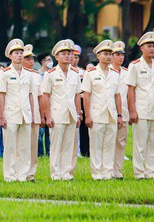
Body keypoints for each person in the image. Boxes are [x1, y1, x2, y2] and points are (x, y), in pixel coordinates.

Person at [126, 31, 154, 179]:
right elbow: (131, 89)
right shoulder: (135, 66)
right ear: (142, 48)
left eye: (153, 46)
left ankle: (150, 171)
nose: (152, 49)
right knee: (140, 144)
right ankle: (139, 173)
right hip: (141, 109)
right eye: (149, 46)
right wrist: (132, 110)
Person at [81, 40, 122, 180]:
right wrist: (87, 115)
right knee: (96, 146)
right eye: (105, 54)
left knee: (110, 145)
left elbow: (117, 96)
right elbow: (86, 95)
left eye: (110, 54)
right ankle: (97, 173)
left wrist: (120, 115)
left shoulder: (115, 73)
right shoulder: (91, 73)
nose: (109, 57)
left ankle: (108, 172)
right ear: (98, 56)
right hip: (96, 113)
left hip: (111, 114)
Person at [0, 39, 36, 182]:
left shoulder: (28, 73)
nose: (19, 55)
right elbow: (1, 95)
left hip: (25, 114)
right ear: (10, 56)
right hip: (10, 113)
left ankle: (22, 175)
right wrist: (1, 116)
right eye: (16, 53)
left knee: (25, 147)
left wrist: (32, 114)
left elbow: (31, 95)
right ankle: (9, 175)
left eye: (21, 53)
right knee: (10, 147)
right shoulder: (5, 73)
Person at [41, 40, 80, 180]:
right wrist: (47, 116)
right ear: (56, 57)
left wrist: (78, 114)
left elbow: (77, 95)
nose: (68, 56)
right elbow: (46, 96)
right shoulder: (50, 74)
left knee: (69, 146)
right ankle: (56, 174)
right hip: (57, 113)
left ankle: (67, 173)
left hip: (71, 114)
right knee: (56, 145)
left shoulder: (75, 73)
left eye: (70, 53)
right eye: (64, 54)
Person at [22, 44, 42, 181]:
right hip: (22, 113)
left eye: (32, 58)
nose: (31, 61)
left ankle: (31, 174)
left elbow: (40, 97)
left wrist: (42, 114)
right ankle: (20, 172)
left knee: (33, 146)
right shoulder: (17, 74)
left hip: (35, 113)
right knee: (22, 145)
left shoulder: (36, 75)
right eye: (27, 58)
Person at [110, 41, 129, 179]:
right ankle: (107, 169)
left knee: (121, 143)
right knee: (108, 142)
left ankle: (117, 170)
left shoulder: (127, 73)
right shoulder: (107, 71)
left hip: (125, 112)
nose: (120, 57)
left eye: (122, 54)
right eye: (117, 54)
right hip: (109, 113)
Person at [37, 52, 53, 157]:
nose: (51, 62)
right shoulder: (37, 75)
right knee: (40, 132)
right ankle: (40, 153)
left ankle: (49, 151)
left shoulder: (53, 73)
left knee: (50, 131)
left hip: (51, 105)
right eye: (48, 60)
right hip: (39, 105)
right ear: (43, 62)